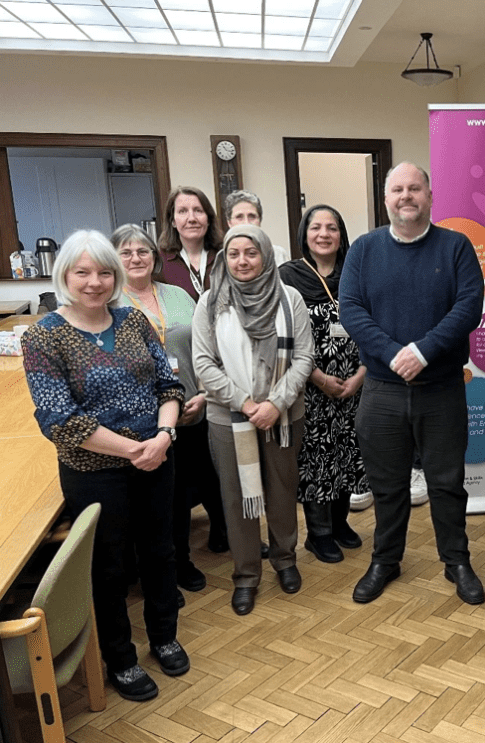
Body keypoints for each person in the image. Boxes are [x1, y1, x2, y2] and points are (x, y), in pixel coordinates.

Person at [22, 230, 188, 702]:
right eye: (83, 272)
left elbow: (168, 385)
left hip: (157, 454)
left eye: (103, 272)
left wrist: (163, 436)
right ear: (65, 275)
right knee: (108, 565)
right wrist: (133, 450)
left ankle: (164, 636)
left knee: (160, 551)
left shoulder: (132, 320)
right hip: (95, 471)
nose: (94, 282)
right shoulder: (43, 336)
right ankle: (121, 657)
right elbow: (59, 420)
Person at [339, 162, 485, 605]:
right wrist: (391, 352)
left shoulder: (456, 247)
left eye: (415, 188)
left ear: (429, 195)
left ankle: (456, 560)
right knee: (387, 483)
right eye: (398, 189)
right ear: (386, 199)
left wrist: (422, 351)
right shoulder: (364, 250)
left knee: (446, 482)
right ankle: (386, 559)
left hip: (440, 389)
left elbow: (468, 307)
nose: (407, 196)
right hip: (382, 391)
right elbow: (351, 308)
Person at [192, 225, 314, 616]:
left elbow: (304, 359)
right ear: (224, 259)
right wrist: (247, 404)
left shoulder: (289, 298)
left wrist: (275, 403)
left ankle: (285, 560)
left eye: (251, 253)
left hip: (283, 415)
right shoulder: (210, 303)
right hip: (229, 419)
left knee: (281, 491)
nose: (242, 261)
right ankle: (246, 576)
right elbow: (203, 365)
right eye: (234, 254)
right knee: (236, 500)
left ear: (265, 255)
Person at [113, 224, 228, 595]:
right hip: (143, 421)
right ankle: (163, 568)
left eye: (142, 251)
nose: (135, 258)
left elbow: (205, 347)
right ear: (113, 259)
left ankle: (182, 560)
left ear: (155, 256)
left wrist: (206, 393)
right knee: (157, 501)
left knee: (184, 492)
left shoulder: (178, 295)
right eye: (126, 252)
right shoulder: (110, 304)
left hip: (192, 406)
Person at [279, 205, 368, 563]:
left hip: (355, 383)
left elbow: (373, 327)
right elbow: (282, 336)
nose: (324, 234)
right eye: (316, 227)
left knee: (348, 452)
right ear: (304, 234)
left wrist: (360, 376)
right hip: (310, 384)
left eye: (332, 227)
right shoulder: (289, 276)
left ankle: (341, 523)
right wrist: (317, 377)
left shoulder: (356, 273)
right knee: (316, 457)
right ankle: (319, 534)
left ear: (341, 234)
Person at [159, 186, 224, 302]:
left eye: (198, 210)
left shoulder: (226, 255)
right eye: (182, 211)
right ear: (173, 221)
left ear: (208, 219)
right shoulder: (159, 262)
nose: (192, 219)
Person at [224, 189, 291, 265]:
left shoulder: (278, 255)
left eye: (252, 216)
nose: (246, 223)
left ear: (260, 220)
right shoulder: (222, 258)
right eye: (239, 217)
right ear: (229, 223)